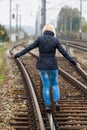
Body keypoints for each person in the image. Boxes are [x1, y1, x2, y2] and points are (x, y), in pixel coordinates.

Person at [10, 24, 80, 113]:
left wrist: (16, 55)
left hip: (42, 66)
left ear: (44, 31)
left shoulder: (40, 39)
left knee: (46, 85)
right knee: (54, 84)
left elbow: (28, 48)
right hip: (52, 66)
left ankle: (47, 105)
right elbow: (64, 52)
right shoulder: (55, 40)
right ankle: (57, 102)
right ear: (52, 31)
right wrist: (74, 62)